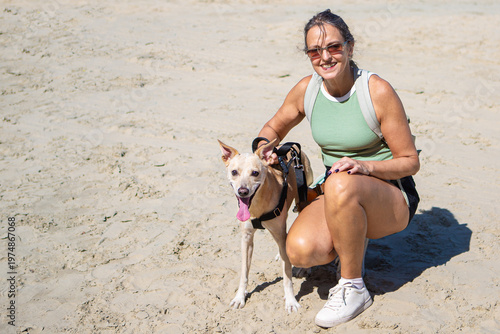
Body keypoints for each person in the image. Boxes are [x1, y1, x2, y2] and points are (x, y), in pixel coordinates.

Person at [254, 9, 420, 328]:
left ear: (350, 47)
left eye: (334, 47)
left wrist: (363, 167)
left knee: (341, 182)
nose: (325, 57)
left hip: (391, 195)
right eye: (315, 51)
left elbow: (410, 161)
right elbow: (272, 128)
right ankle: (351, 233)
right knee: (300, 252)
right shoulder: (308, 90)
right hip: (338, 189)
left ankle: (353, 286)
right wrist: (265, 150)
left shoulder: (376, 91)